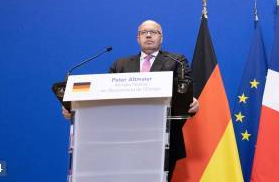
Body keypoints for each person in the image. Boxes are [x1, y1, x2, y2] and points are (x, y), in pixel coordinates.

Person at [63, 19, 198, 179]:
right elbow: (105, 98)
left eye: (154, 32)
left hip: (163, 140)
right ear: (137, 38)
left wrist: (191, 100)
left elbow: (184, 91)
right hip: (125, 141)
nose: (148, 35)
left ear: (161, 38)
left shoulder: (177, 62)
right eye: (143, 32)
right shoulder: (120, 65)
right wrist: (75, 107)